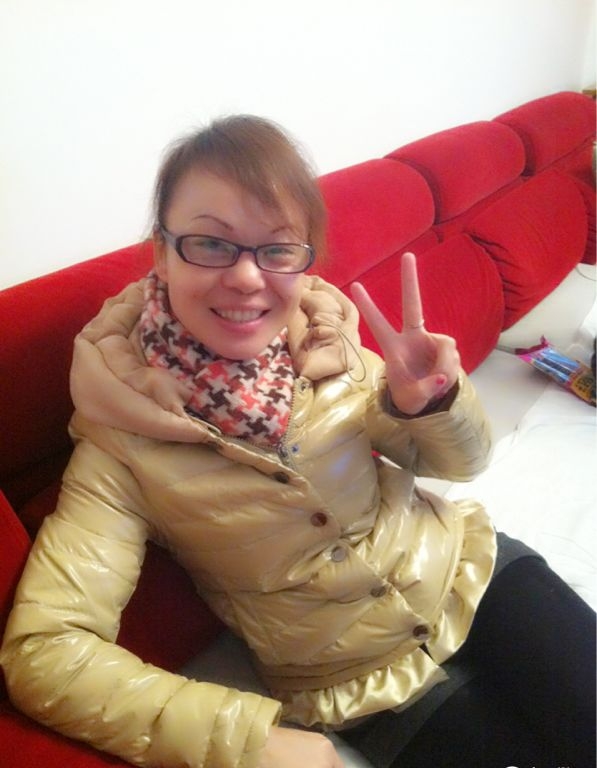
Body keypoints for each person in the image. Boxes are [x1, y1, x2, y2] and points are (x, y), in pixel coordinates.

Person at [1, 116, 594, 768]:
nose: (246, 278)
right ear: (162, 253)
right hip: (360, 687)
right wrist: (247, 741)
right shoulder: (121, 434)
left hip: (474, 570)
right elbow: (46, 652)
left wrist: (432, 403)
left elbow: (464, 462)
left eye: (277, 249)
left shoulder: (325, 340)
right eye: (211, 243)